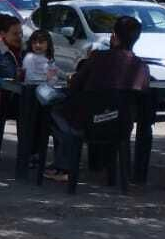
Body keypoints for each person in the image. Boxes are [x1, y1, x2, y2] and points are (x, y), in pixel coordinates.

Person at [46, 15, 150, 181]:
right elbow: (144, 96)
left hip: (88, 123)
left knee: (54, 110)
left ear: (114, 36)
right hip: (122, 125)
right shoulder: (141, 66)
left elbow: (75, 86)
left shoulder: (97, 58)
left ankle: (63, 165)